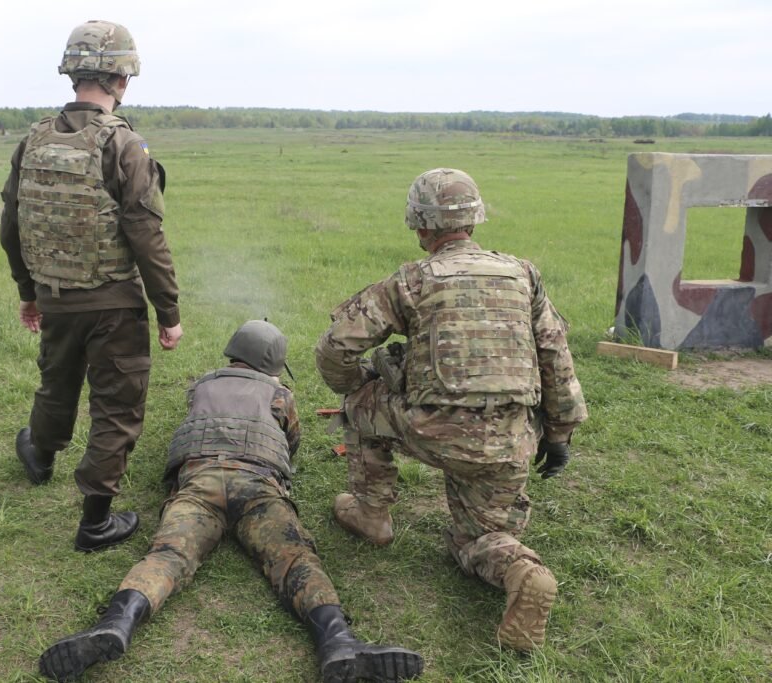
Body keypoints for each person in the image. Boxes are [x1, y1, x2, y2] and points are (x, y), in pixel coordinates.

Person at [38, 321, 424, 683]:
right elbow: (291, 444)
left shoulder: (203, 384)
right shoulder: (280, 394)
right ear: (273, 363)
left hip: (198, 482)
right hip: (257, 484)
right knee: (295, 558)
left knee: (168, 555)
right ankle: (338, 642)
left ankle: (116, 623)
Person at [315, 169, 588, 651]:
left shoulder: (412, 281)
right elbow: (555, 356)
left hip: (432, 431)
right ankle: (522, 570)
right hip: (509, 441)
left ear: (422, 227)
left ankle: (371, 513)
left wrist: (359, 385)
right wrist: (560, 434)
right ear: (474, 220)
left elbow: (336, 347)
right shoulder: (524, 274)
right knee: (477, 541)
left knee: (361, 401)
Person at [0, 20, 182, 552]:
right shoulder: (124, 145)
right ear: (122, 79)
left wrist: (27, 290)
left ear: (73, 72)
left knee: (56, 382)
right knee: (117, 407)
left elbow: (12, 224)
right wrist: (168, 312)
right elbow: (147, 236)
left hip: (56, 296)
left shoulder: (33, 139)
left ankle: (40, 454)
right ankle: (95, 521)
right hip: (113, 304)